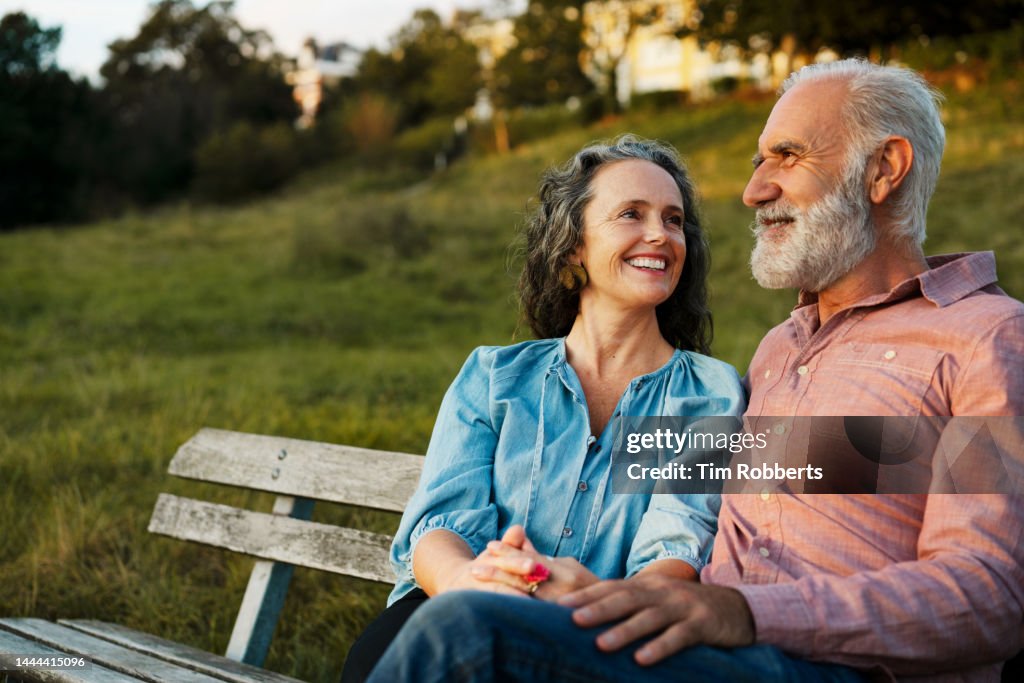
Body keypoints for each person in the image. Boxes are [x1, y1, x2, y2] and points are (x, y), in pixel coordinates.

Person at [365, 59, 1024, 683]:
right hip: (701, 649)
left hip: (821, 663)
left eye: (786, 156)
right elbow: (679, 477)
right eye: (758, 161)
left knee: (469, 635)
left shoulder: (985, 339)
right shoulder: (779, 352)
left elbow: (989, 593)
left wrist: (740, 610)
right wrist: (581, 587)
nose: (753, 189)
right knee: (448, 627)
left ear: (884, 169)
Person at [340, 135, 745, 682]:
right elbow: (439, 524)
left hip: (599, 632)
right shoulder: (494, 378)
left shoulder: (706, 393)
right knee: (402, 648)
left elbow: (676, 547)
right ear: (574, 245)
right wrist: (469, 586)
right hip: (456, 608)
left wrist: (583, 595)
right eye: (632, 213)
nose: (660, 235)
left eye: (674, 221)